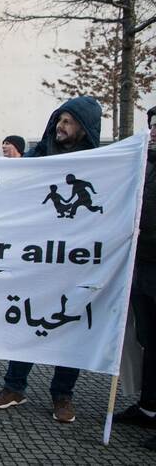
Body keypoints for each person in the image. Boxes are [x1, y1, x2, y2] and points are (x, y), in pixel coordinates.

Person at [0, 95, 102, 423]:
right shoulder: (41, 154)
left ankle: (62, 395)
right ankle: (14, 386)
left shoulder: (98, 161)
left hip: (76, 260)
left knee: (71, 325)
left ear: (84, 127)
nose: (60, 127)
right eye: (59, 120)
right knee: (27, 318)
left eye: (68, 122)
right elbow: (18, 181)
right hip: (38, 256)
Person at [116, 106, 156, 450]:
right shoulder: (145, 164)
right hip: (144, 265)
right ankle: (149, 407)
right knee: (149, 341)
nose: (154, 131)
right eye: (152, 125)